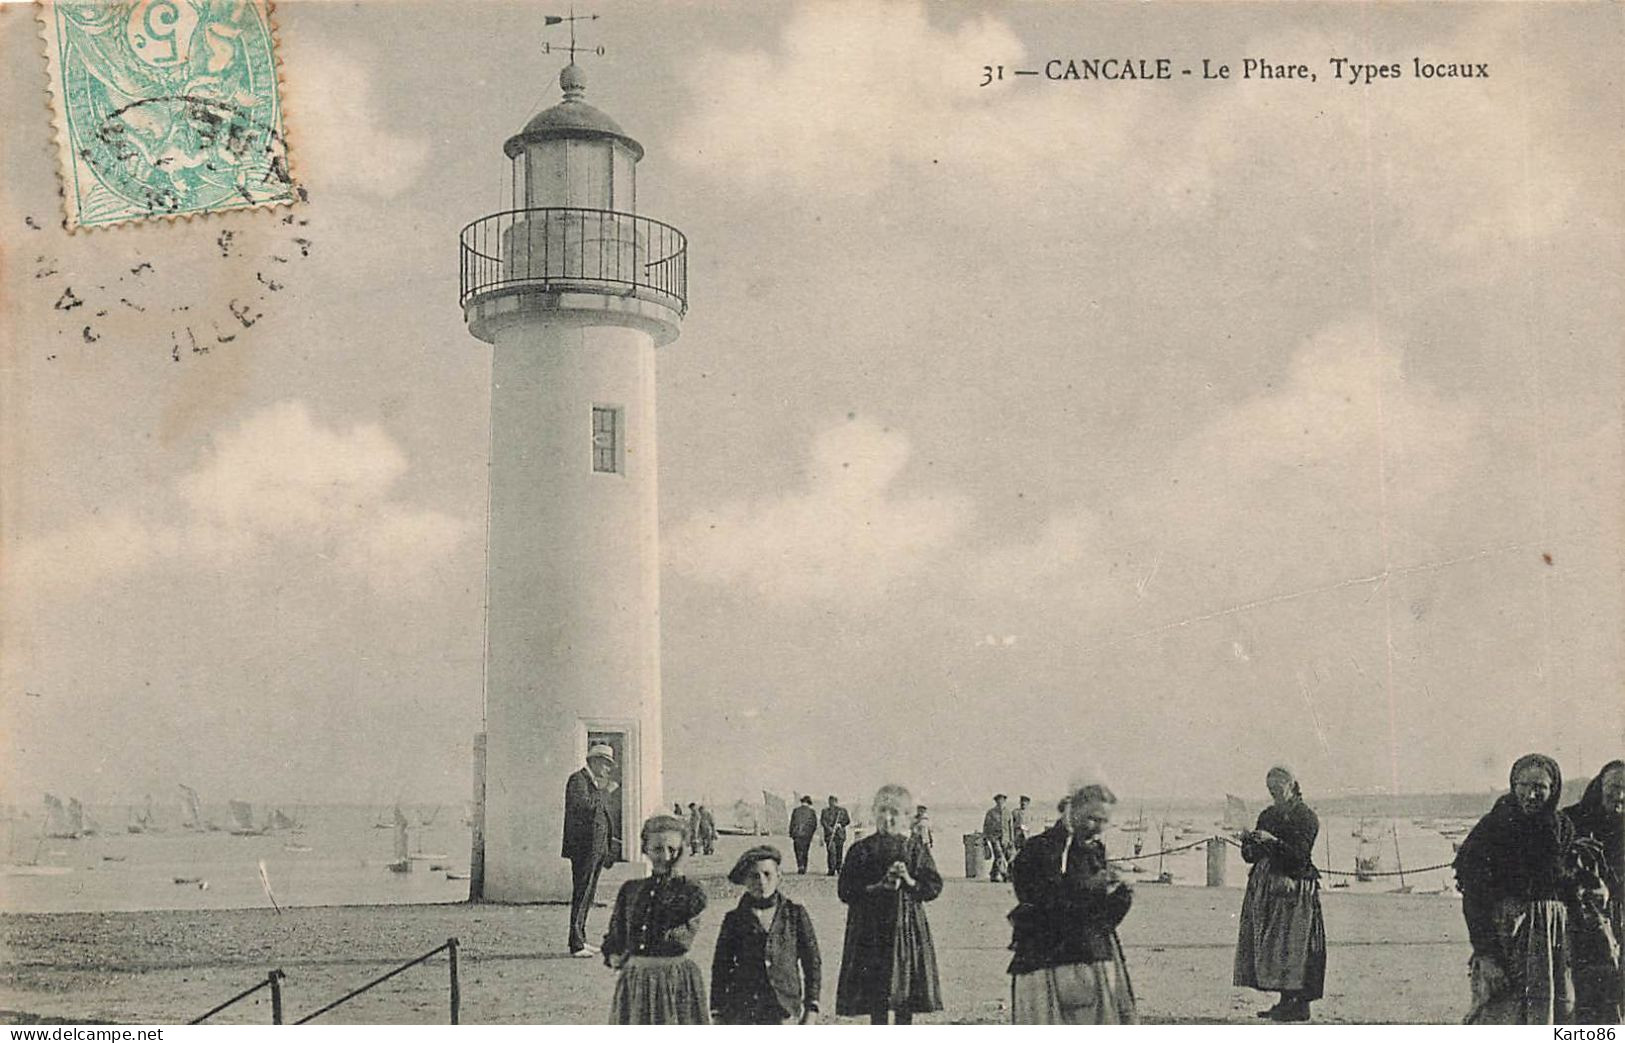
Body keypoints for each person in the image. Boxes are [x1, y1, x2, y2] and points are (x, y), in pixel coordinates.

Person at [1454, 753, 1589, 1024]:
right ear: (1513, 785)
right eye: (1524, 785)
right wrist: (1487, 955)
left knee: (1549, 1017)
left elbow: (1568, 890)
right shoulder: (1493, 827)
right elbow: (1475, 897)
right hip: (1507, 937)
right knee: (1500, 1014)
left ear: (1553, 789)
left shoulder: (1563, 828)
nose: (1531, 794)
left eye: (1540, 786)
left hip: (1552, 942)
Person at [1007, 780, 1136, 1024]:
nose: (1098, 828)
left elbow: (1103, 920)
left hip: (1093, 953)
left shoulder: (1094, 850)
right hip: (1048, 960)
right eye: (1092, 819)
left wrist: (1122, 895)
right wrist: (1096, 883)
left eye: (1104, 822)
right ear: (1071, 810)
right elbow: (1040, 901)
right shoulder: (1039, 849)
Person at [836, 784, 943, 1024]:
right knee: (876, 996)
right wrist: (876, 887)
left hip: (906, 931)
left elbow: (933, 887)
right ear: (874, 813)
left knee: (905, 993)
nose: (887, 818)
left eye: (895, 812)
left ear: (907, 816)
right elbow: (845, 891)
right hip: (869, 931)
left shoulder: (914, 848)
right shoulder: (860, 850)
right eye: (882, 811)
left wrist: (909, 880)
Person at [1233, 765, 1327, 1022]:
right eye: (1270, 789)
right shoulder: (1268, 815)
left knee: (1295, 945)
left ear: (1291, 785)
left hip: (1295, 888)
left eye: (1277, 788)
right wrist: (1247, 840)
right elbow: (1250, 857)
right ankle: (1286, 1002)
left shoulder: (1306, 817)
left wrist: (1271, 842)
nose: (1274, 793)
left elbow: (1300, 856)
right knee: (1275, 946)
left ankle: (1300, 1003)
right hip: (1267, 889)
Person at [601, 813, 709, 1024]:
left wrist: (676, 871)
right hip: (637, 980)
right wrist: (614, 953)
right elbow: (616, 934)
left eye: (673, 849)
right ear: (645, 849)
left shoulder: (690, 890)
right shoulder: (631, 889)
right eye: (658, 849)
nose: (666, 856)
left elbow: (674, 913)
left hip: (674, 980)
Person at [711, 844, 822, 1024]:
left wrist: (812, 1007)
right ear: (744, 881)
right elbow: (720, 967)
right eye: (754, 876)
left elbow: (813, 963)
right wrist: (717, 1011)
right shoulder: (734, 919)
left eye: (767, 874)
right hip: (743, 1011)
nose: (761, 882)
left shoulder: (794, 914)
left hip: (784, 1009)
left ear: (779, 876)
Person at [1564, 760, 1624, 1024]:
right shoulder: (1572, 818)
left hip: (1620, 915)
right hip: (1584, 921)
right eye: (1613, 787)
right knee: (1585, 998)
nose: (1619, 795)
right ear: (1600, 786)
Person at [562, 744, 618, 957]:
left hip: (595, 850)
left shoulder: (591, 784)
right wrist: (605, 792)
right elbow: (583, 807)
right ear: (594, 761)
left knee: (588, 895)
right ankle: (576, 944)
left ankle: (581, 940)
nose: (608, 769)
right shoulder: (577, 780)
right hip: (583, 848)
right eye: (605, 764)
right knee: (582, 893)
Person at [983, 794, 1015, 883]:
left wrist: (1011, 840)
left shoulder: (1008, 813)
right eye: (998, 801)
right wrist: (986, 838)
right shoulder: (991, 812)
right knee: (999, 855)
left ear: (1005, 802)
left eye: (1002, 801)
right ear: (996, 802)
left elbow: (1011, 827)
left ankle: (993, 874)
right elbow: (986, 826)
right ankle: (1005, 874)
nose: (1000, 802)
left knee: (1006, 856)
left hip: (1006, 838)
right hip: (994, 838)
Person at [788, 796, 820, 875]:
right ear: (808, 803)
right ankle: (804, 867)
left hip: (797, 834)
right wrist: (811, 833)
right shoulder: (812, 812)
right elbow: (814, 824)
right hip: (807, 835)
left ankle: (800, 866)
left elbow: (792, 823)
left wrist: (791, 833)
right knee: (805, 851)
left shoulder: (795, 811)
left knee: (798, 851)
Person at [821, 796, 851, 876]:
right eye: (830, 802)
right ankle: (831, 869)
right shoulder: (825, 811)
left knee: (839, 852)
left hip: (840, 834)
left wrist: (840, 824)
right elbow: (823, 822)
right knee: (831, 852)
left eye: (833, 802)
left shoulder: (842, 811)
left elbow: (847, 820)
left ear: (836, 802)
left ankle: (839, 868)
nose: (832, 803)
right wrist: (829, 829)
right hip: (829, 835)